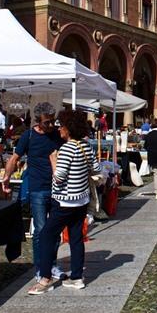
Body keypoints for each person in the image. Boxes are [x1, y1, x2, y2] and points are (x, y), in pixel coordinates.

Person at [29, 109, 100, 295]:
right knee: (76, 238)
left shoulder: (67, 148)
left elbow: (59, 178)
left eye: (61, 125)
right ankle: (77, 277)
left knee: (46, 236)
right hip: (81, 200)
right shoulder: (86, 146)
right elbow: (96, 168)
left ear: (68, 128)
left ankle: (45, 277)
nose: (59, 128)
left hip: (64, 201)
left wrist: (54, 160)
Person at [2, 102, 65, 281]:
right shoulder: (28, 136)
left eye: (53, 121)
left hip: (57, 189)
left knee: (55, 230)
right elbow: (15, 158)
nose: (51, 125)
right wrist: (7, 176)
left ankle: (51, 264)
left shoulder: (57, 135)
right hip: (37, 188)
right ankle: (40, 267)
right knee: (40, 230)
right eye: (47, 122)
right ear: (38, 121)